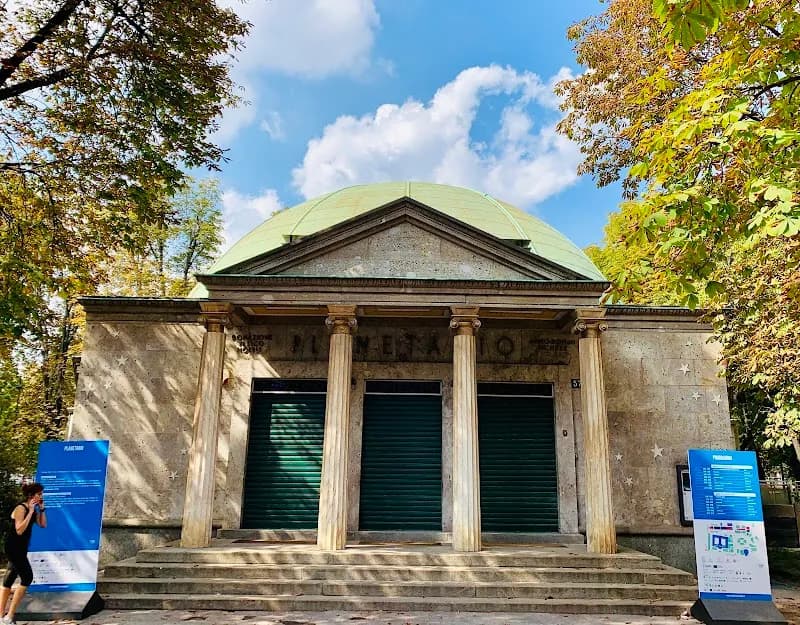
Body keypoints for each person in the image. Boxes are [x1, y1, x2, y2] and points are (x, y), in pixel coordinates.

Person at [0, 483, 47, 624]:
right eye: (39, 494)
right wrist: (31, 512)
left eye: (41, 494)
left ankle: (1, 615)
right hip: (14, 547)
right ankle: (9, 617)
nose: (41, 497)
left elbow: (43, 525)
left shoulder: (34, 508)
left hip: (21, 547)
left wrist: (42, 510)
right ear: (31, 496)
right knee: (27, 577)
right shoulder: (21, 508)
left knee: (9, 579)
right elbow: (19, 530)